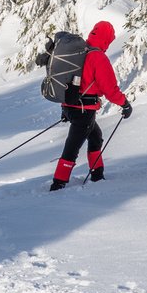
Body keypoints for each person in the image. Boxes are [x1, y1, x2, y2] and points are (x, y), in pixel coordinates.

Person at [37, 20, 131, 191]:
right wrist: (124, 104)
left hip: (71, 106)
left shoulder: (80, 52)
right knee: (72, 147)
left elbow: (68, 82)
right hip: (83, 110)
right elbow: (109, 89)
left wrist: (65, 108)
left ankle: (97, 174)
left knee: (96, 137)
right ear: (107, 39)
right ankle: (58, 183)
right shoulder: (98, 57)